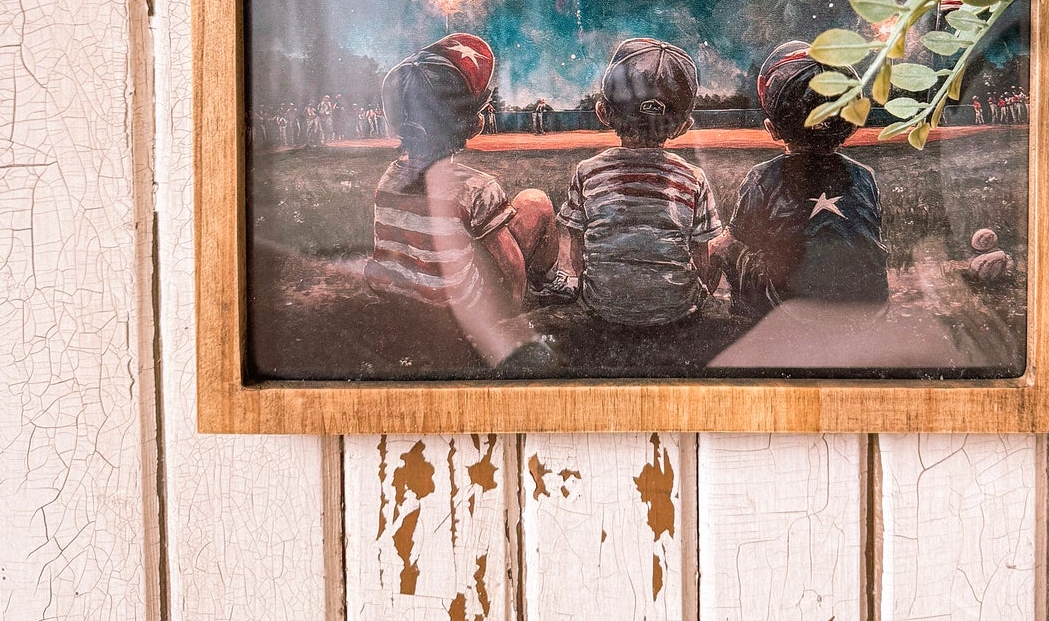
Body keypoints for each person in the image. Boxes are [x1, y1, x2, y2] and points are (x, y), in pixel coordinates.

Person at [368, 32, 568, 374]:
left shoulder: (387, 179)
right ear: (472, 124)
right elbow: (511, 266)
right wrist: (507, 314)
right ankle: (550, 284)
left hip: (407, 310)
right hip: (461, 317)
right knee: (534, 203)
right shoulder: (476, 187)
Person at [559, 37, 721, 332]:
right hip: (676, 309)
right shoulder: (693, 178)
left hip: (602, 306)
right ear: (684, 126)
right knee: (719, 242)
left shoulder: (586, 172)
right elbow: (702, 256)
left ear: (603, 112)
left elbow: (577, 247)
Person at [712, 39, 888, 311]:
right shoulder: (865, 175)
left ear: (772, 129)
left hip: (790, 314)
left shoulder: (761, 177)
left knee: (724, 244)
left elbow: (739, 240)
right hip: (866, 310)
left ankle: (745, 315)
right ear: (851, 128)